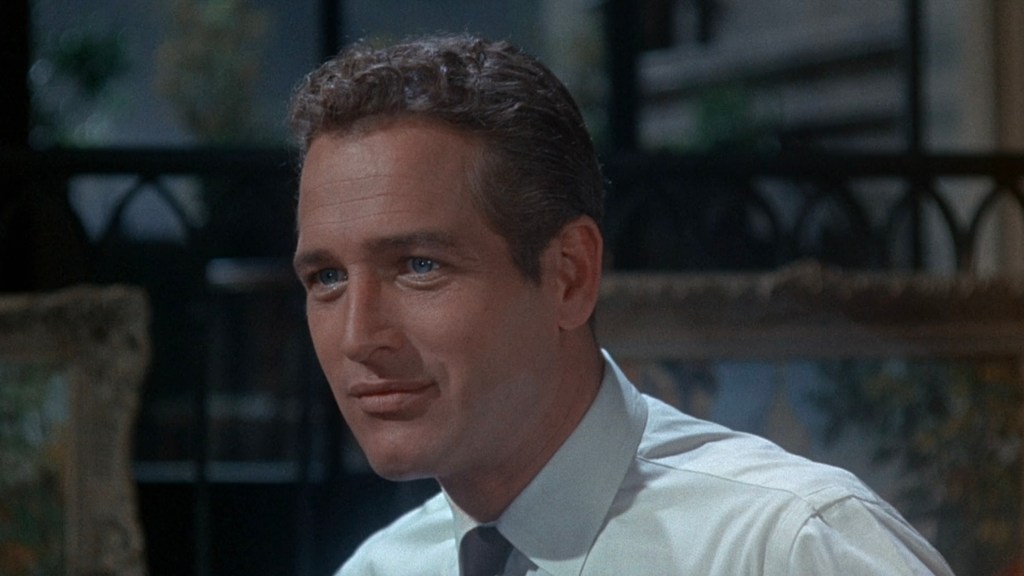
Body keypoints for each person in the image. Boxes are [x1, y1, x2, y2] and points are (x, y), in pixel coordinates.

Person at [289, 34, 953, 575]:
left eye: (419, 266)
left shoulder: (788, 546)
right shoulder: (382, 568)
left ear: (570, 276)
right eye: (326, 279)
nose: (357, 335)